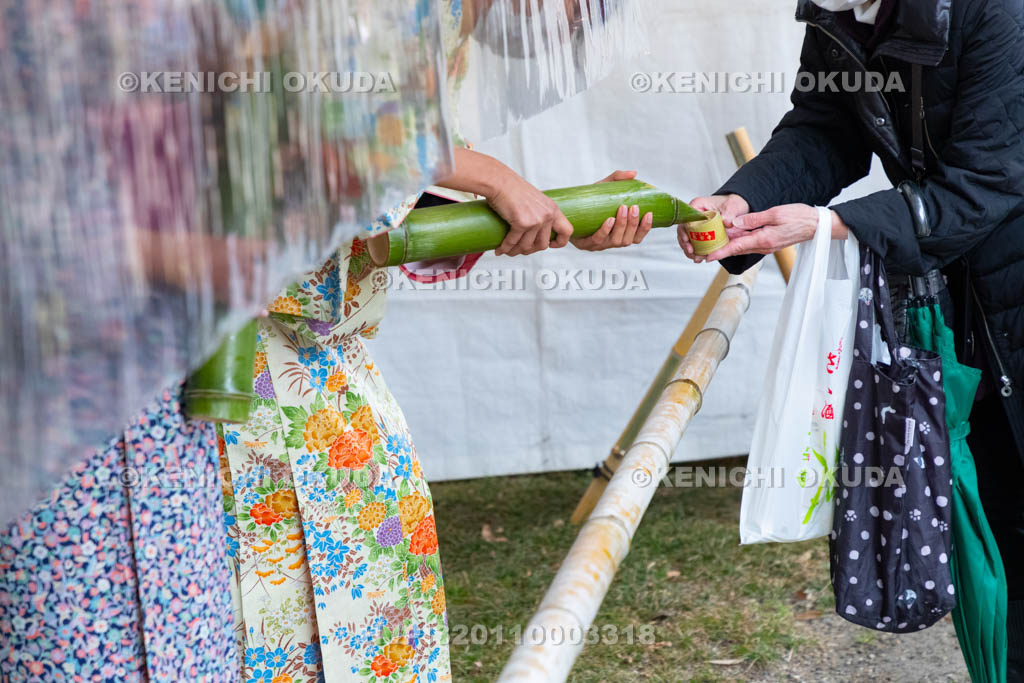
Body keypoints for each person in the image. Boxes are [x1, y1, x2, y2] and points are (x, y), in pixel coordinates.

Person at [677, 0, 1024, 676]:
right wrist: (743, 201)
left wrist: (832, 226)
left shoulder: (994, 11)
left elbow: (990, 179)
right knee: (995, 532)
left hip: (1001, 276)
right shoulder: (837, 13)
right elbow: (825, 129)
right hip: (961, 304)